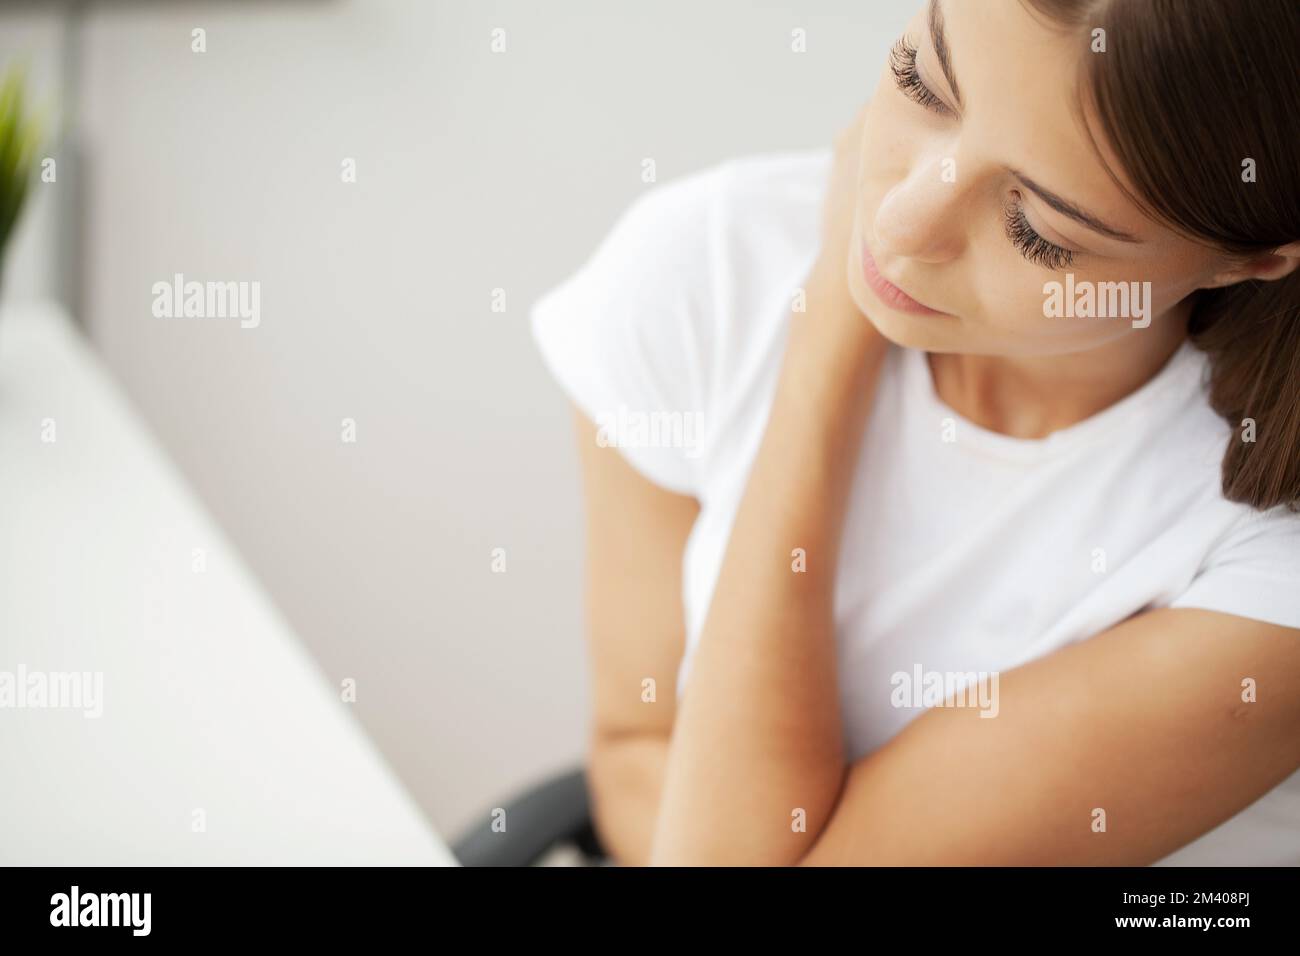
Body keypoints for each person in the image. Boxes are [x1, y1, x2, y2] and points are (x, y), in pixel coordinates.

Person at [530, 0, 1300, 865]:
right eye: (921, 83)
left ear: (1252, 256)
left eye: (1038, 231)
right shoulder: (701, 270)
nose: (899, 222)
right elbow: (637, 746)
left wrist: (831, 329)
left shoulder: (1271, 561)